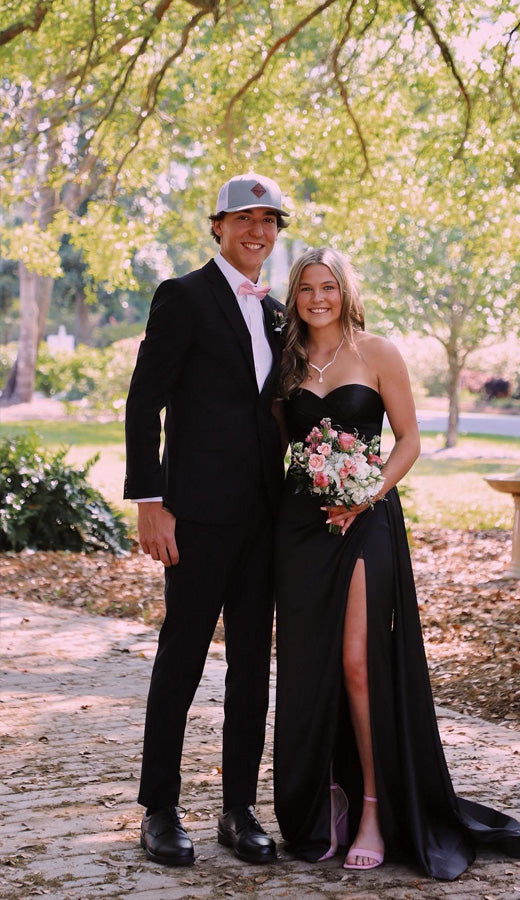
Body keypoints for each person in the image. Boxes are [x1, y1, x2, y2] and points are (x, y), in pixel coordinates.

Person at [273, 247, 520, 879]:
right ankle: (324, 800)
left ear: (344, 290)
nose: (317, 298)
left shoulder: (378, 351)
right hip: (302, 527)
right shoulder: (283, 362)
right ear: (294, 295)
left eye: (328, 286)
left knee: (359, 663)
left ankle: (372, 805)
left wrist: (368, 493)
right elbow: (270, 440)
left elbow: (409, 438)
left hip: (368, 521)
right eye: (306, 287)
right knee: (312, 668)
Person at [124, 173, 289, 867]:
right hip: (194, 517)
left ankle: (239, 808)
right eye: (242, 218)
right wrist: (150, 502)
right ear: (216, 225)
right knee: (182, 660)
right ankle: (159, 809)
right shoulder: (183, 297)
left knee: (253, 664)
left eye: (268, 220)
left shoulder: (280, 312)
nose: (256, 231)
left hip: (265, 520)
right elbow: (143, 402)